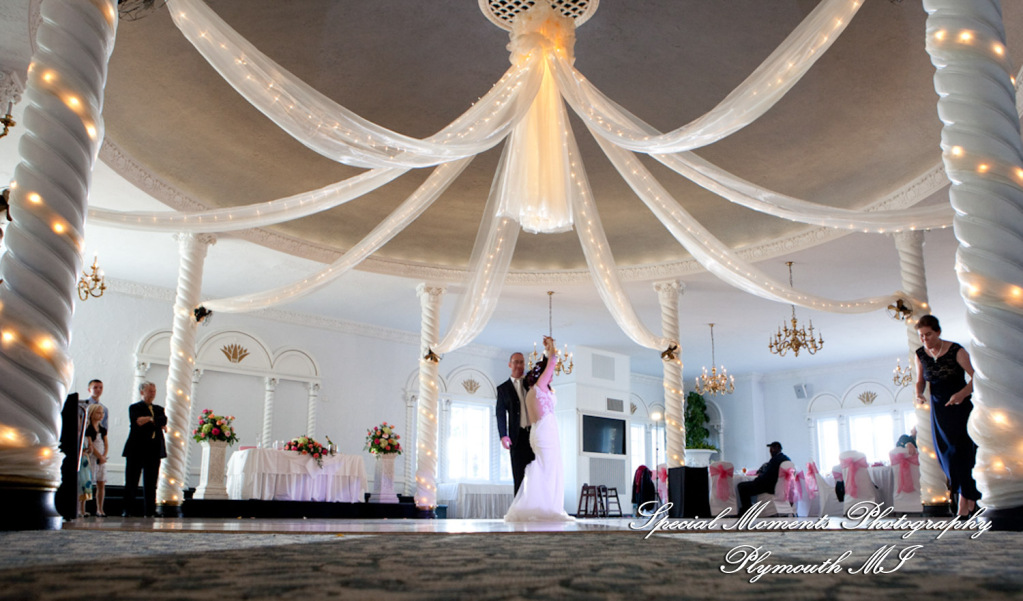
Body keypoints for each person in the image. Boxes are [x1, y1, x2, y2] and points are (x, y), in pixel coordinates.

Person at [914, 314, 980, 516]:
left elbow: (976, 378)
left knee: (962, 453)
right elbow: (920, 380)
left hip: (960, 408)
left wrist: (962, 394)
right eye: (921, 335)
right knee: (946, 456)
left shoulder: (956, 350)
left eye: (928, 334)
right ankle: (967, 497)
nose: (924, 339)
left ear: (938, 332)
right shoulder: (920, 354)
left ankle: (964, 501)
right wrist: (918, 394)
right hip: (939, 411)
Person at [505, 336, 573, 522]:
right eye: (549, 374)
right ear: (541, 375)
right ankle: (546, 508)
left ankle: (543, 506)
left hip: (539, 432)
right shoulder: (539, 387)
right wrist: (552, 347)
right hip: (545, 432)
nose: (552, 376)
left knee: (545, 469)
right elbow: (552, 361)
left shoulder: (533, 392)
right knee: (549, 470)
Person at [122, 381, 167, 517]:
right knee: (132, 480)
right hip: (136, 448)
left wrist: (150, 419)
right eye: (150, 391)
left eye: (154, 391)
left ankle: (150, 511)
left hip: (153, 450)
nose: (153, 393)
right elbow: (138, 421)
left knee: (151, 482)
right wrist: (153, 420)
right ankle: (128, 510)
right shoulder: (135, 407)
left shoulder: (159, 409)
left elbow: (163, 421)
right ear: (142, 392)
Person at [496, 351, 535, 495]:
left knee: (535, 475)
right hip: (517, 438)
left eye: (521, 362)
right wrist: (503, 435)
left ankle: (535, 504)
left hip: (534, 435)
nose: (519, 365)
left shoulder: (530, 383)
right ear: (510, 364)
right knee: (519, 476)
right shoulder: (503, 389)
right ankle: (520, 506)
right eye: (516, 362)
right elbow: (500, 414)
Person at [736, 441, 791, 516]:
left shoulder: (775, 460)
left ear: (778, 448)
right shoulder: (786, 459)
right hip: (779, 486)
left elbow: (768, 476)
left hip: (769, 486)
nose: (770, 451)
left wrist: (757, 479)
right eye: (770, 448)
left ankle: (747, 510)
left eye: (772, 448)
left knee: (742, 486)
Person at [84, 404, 109, 517]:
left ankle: (100, 509)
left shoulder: (102, 429)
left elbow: (105, 444)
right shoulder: (88, 429)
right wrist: (99, 456)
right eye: (98, 413)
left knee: (101, 483)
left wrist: (104, 456)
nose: (101, 415)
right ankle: (82, 508)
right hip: (92, 457)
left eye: (102, 413)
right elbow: (91, 445)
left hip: (101, 459)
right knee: (87, 482)